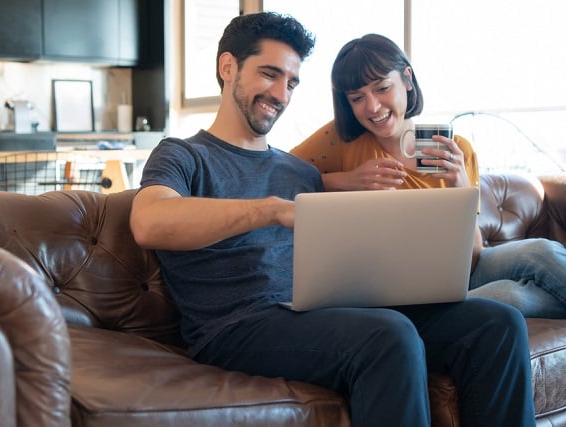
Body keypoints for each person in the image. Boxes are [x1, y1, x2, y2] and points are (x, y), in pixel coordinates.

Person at [289, 33, 566, 425]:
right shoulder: (339, 144)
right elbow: (272, 174)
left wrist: (458, 189)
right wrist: (343, 181)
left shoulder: (452, 148)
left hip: (460, 275)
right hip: (406, 299)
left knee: (538, 252)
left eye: (381, 87)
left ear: (406, 79)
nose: (371, 107)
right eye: (356, 97)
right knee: (507, 301)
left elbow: (475, 255)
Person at [129, 13, 535, 427]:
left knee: (496, 323)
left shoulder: (299, 172)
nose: (281, 94)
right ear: (227, 67)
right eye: (269, 74)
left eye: (291, 82)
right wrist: (270, 210)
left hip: (321, 310)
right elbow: (149, 221)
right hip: (239, 326)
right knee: (388, 335)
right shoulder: (183, 154)